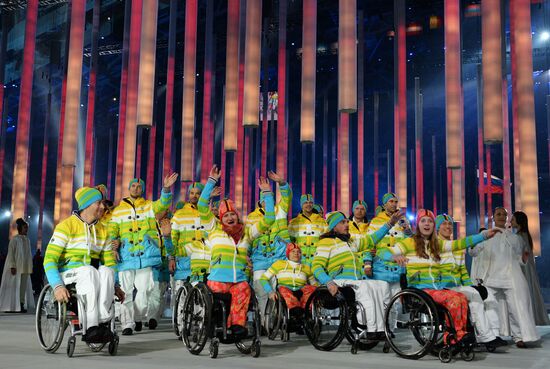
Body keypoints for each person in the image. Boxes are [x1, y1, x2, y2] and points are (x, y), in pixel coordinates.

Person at [380, 209, 500, 344]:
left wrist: (484, 236)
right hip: (420, 290)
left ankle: (456, 335)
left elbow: (460, 243)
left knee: (460, 297)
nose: (427, 224)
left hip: (436, 289)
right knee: (454, 298)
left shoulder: (437, 244)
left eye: (430, 221)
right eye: (423, 221)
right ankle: (456, 335)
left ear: (433, 225)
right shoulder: (409, 243)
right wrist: (394, 256)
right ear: (418, 225)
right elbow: (381, 252)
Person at [198, 165, 275, 338]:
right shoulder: (213, 229)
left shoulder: (248, 232)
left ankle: (237, 326)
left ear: (237, 216)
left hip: (239, 279)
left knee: (244, 289)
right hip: (218, 279)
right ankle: (217, 326)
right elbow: (202, 206)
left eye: (233, 214)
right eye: (226, 215)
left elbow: (270, 218)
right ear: (220, 218)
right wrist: (211, 182)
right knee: (219, 303)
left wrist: (267, 193)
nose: (230, 218)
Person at [42, 187, 124, 343]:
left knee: (106, 271)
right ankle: (92, 326)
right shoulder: (66, 226)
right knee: (89, 271)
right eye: (99, 203)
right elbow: (49, 259)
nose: (103, 207)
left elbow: (110, 262)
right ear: (87, 205)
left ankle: (102, 322)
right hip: (68, 274)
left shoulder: (103, 230)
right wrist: (57, 286)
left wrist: (116, 286)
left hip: (90, 274)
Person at [312, 210, 401, 339]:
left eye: (347, 222)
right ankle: (366, 328)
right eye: (343, 222)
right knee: (364, 288)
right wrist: (328, 282)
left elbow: (372, 239)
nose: (347, 224)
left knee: (382, 285)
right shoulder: (326, 242)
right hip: (338, 281)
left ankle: (381, 327)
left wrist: (390, 223)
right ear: (334, 227)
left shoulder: (351, 242)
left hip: (355, 281)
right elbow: (316, 267)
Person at [109, 173, 178, 335]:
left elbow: (163, 204)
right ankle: (127, 323)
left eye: (139, 186)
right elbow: (112, 229)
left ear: (143, 189)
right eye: (133, 185)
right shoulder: (119, 210)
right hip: (126, 256)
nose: (136, 188)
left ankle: (137, 317)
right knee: (125, 291)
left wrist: (166, 188)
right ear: (129, 188)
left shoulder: (149, 206)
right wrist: (114, 244)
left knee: (145, 289)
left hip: (145, 257)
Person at [469, 207, 540, 347]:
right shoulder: (486, 234)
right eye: (498, 214)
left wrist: (524, 259)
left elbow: (519, 260)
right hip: (490, 278)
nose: (502, 217)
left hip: (510, 277)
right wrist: (473, 243)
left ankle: (519, 336)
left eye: (504, 215)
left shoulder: (515, 238)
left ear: (507, 218)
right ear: (493, 218)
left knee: (516, 308)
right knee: (489, 307)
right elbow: (474, 253)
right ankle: (491, 336)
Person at [436, 214, 506, 347]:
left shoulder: (458, 248)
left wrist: (472, 286)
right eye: (444, 224)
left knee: (488, 296)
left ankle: (494, 334)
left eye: (450, 224)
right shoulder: (435, 246)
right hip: (443, 288)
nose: (448, 226)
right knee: (475, 297)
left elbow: (462, 271)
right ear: (438, 228)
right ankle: (485, 336)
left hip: (458, 286)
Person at [247, 170, 292, 318]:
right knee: (262, 291)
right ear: (260, 201)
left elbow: (287, 197)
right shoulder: (251, 218)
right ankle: (266, 323)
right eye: (266, 200)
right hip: (260, 260)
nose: (269, 203)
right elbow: (247, 239)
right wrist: (246, 257)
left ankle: (280, 320)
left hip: (280, 258)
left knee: (281, 289)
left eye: (271, 199)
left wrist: (282, 183)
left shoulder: (280, 211)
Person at [366, 192, 412, 328]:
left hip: (398, 268)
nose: (394, 204)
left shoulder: (403, 220)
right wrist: (368, 263)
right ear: (384, 204)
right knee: (383, 301)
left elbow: (410, 241)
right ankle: (381, 328)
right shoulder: (375, 222)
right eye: (391, 201)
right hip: (381, 267)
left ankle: (390, 330)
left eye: (395, 202)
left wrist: (408, 229)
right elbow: (369, 244)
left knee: (396, 302)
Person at [259, 243, 317, 321]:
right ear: (288, 254)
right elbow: (263, 278)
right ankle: (295, 309)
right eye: (293, 251)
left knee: (312, 289)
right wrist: (270, 292)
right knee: (283, 290)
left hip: (301, 290)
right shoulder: (279, 264)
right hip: (285, 289)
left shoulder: (306, 268)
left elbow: (315, 284)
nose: (296, 253)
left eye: (298, 252)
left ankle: (306, 311)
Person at [512, 211, 550, 326]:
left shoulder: (519, 237)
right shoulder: (525, 235)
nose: (510, 221)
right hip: (526, 268)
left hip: (522, 268)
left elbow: (519, 255)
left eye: (513, 219)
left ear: (518, 222)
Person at [0, 218, 33, 313]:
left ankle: (21, 305)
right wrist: (12, 266)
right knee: (13, 287)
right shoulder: (14, 240)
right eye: (25, 228)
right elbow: (11, 254)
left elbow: (28, 254)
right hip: (15, 268)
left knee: (22, 288)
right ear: (20, 228)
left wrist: (30, 266)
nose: (26, 229)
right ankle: (11, 306)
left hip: (25, 268)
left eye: (27, 228)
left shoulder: (27, 240)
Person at [289, 194, 328, 267]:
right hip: (299, 260)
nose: (308, 204)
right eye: (305, 202)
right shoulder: (294, 222)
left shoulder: (322, 222)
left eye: (310, 202)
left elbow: (325, 242)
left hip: (317, 260)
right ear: (301, 205)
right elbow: (291, 243)